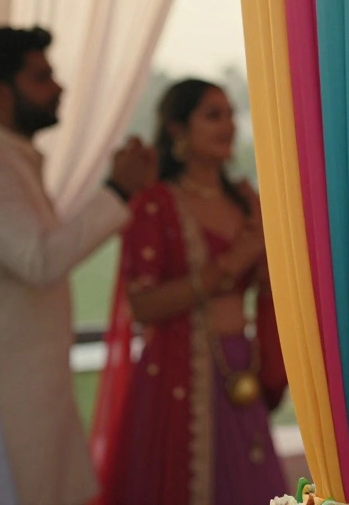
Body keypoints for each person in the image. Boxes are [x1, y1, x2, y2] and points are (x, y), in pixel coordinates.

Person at [0, 26, 155, 505]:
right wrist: (117, 191)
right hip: (3, 406)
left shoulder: (11, 159)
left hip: (34, 397)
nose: (59, 87)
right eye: (41, 77)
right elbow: (41, 260)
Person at [91, 79, 288, 505]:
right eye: (213, 115)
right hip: (177, 375)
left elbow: (268, 288)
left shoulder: (244, 199)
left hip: (239, 367)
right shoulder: (156, 203)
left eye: (231, 114)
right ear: (178, 129)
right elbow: (141, 305)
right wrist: (232, 263)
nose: (229, 126)